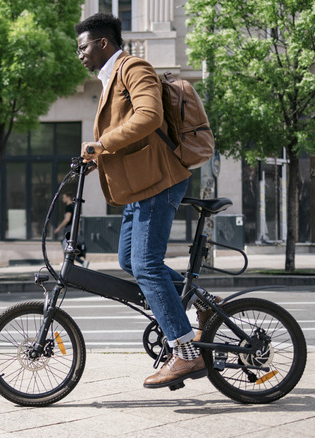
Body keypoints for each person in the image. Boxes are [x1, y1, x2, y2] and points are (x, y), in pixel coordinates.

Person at [75, 13, 217, 389]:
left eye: (83, 46)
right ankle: (203, 303)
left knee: (147, 265)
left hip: (158, 181)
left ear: (103, 43)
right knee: (129, 260)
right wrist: (97, 158)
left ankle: (186, 353)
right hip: (140, 187)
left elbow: (149, 116)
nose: (80, 54)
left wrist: (103, 144)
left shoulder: (134, 67)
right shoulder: (111, 80)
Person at [54, 192, 88, 267]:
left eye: (64, 197)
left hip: (68, 230)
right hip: (73, 229)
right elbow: (77, 221)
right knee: (69, 249)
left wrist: (58, 228)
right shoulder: (74, 206)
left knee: (66, 248)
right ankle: (69, 263)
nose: (63, 199)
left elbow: (67, 219)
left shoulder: (68, 207)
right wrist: (78, 232)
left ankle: (81, 262)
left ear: (68, 197)